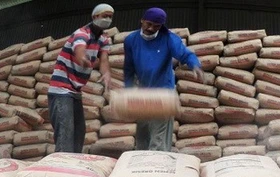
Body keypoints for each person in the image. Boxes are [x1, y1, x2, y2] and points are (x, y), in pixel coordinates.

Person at [123, 7, 204, 151]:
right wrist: (128, 90)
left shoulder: (168, 38)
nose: (151, 28)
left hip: (163, 93)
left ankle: (157, 169)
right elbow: (129, 67)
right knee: (142, 135)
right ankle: (140, 168)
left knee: (158, 138)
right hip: (143, 93)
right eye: (148, 24)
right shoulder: (131, 40)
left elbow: (185, 54)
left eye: (156, 26)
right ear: (141, 20)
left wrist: (195, 65)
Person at [48, 4, 113, 153]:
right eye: (105, 16)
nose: (107, 19)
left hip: (75, 91)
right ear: (95, 16)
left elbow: (104, 60)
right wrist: (83, 59)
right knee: (66, 131)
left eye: (110, 17)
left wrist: (106, 73)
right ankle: (62, 170)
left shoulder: (103, 38)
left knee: (79, 131)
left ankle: (73, 167)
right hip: (61, 88)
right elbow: (79, 51)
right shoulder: (81, 33)